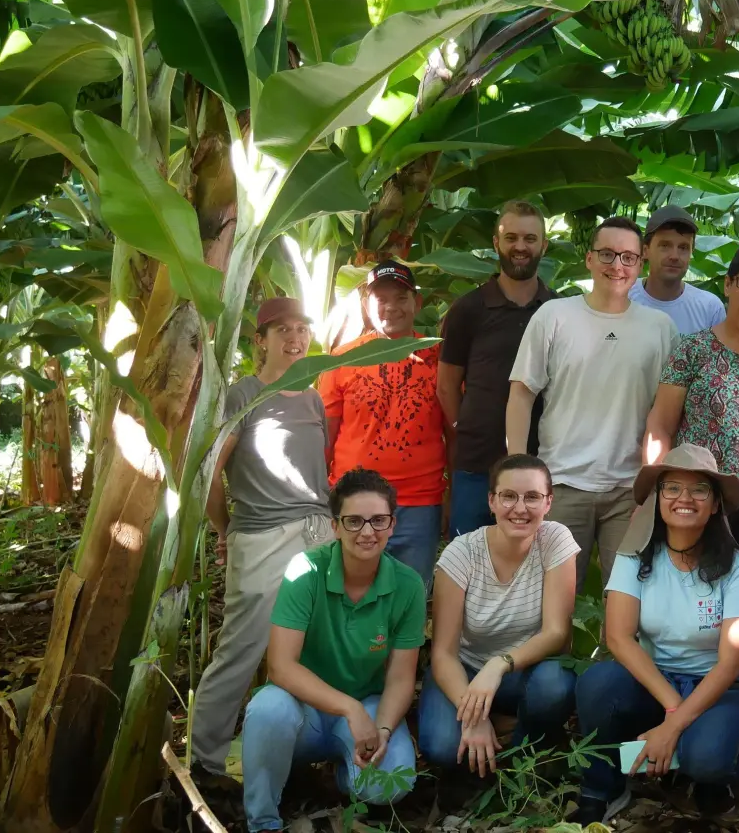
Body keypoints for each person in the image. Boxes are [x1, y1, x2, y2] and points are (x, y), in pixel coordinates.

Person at [572, 445, 739, 824]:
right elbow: (619, 637)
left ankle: (712, 777)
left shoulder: (738, 567)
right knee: (597, 684)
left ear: (715, 504)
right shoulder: (635, 556)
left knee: (707, 759)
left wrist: (673, 725)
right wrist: (673, 712)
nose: (684, 498)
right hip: (657, 682)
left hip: (721, 687)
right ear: (658, 499)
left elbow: (731, 660)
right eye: (671, 488)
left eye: (699, 489)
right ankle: (600, 787)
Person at [191, 298, 334, 791]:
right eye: (283, 331)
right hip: (262, 535)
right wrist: (224, 527)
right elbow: (211, 473)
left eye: (302, 329)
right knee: (243, 648)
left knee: (315, 648)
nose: (295, 338)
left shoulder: (313, 399)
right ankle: (204, 763)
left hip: (319, 532)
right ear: (261, 340)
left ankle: (301, 752)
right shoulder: (243, 395)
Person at [241, 469, 427, 832]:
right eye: (354, 521)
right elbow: (280, 667)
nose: (367, 532)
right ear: (336, 526)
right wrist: (348, 707)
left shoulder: (408, 585)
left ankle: (343, 778)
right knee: (266, 709)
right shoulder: (307, 570)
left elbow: (402, 676)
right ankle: (263, 822)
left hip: (365, 708)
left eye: (378, 520)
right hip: (302, 709)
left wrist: (385, 729)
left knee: (393, 782)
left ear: (392, 524)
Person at [644, 246, 739, 673]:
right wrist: (655, 482)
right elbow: (662, 422)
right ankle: (685, 673)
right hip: (700, 494)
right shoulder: (692, 349)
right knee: (695, 585)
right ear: (728, 285)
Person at [508, 217, 676, 588]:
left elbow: (667, 411)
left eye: (628, 257)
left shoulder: (660, 327)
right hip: (563, 483)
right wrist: (519, 469)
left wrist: (655, 484)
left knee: (626, 601)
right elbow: (522, 393)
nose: (617, 265)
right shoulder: (555, 316)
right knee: (552, 602)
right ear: (589, 258)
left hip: (630, 490)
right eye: (607, 254)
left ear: (640, 263)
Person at [418, 454, 580, 778]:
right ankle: (499, 726)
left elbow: (555, 633)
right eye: (509, 496)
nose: (520, 508)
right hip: (463, 669)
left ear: (548, 502)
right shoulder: (461, 553)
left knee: (555, 686)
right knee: (442, 747)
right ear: (492, 501)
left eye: (532, 497)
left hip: (521, 673)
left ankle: (522, 757)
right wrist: (473, 716)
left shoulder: (555, 540)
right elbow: (444, 653)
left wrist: (499, 664)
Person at [319, 260, 448, 587]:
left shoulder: (439, 357)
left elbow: (454, 430)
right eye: (381, 299)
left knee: (409, 596)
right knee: (349, 596)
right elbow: (326, 436)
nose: (391, 307)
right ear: (366, 305)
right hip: (354, 499)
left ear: (417, 304)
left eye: (401, 298)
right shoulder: (342, 359)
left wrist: (453, 492)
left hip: (419, 501)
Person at [438, 201, 557, 540]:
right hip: (477, 464)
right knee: (468, 562)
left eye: (531, 238)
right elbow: (447, 386)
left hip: (538, 467)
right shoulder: (468, 309)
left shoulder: (557, 309)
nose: (521, 246)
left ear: (543, 246)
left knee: (529, 570)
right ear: (496, 244)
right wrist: (466, 426)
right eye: (512, 238)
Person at [628, 205, 726, 334]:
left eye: (683, 248)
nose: (674, 256)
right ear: (645, 251)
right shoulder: (624, 296)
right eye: (665, 245)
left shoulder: (710, 308)